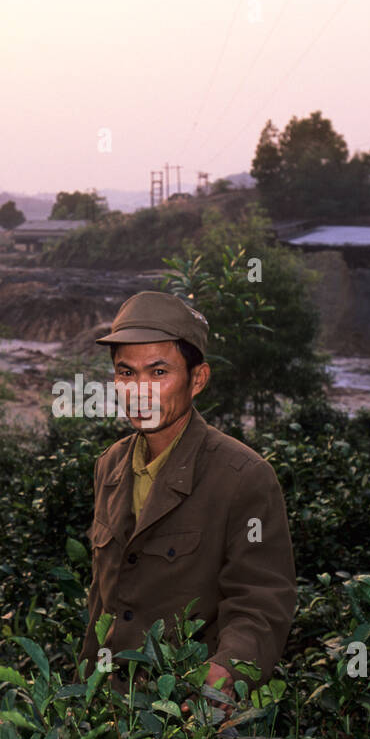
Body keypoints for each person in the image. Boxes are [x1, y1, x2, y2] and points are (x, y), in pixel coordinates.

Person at [77, 291, 297, 709]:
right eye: (126, 372)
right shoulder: (109, 466)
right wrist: (80, 699)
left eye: (158, 372)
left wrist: (224, 674)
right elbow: (101, 604)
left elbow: (261, 602)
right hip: (105, 716)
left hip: (185, 718)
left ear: (198, 378)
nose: (139, 390)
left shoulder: (243, 477)